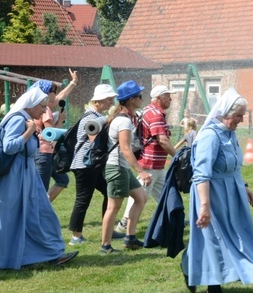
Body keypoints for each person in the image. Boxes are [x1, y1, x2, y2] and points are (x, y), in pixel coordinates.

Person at [0, 86, 78, 271]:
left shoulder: (24, 118)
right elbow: (9, 147)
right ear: (30, 105)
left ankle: (52, 254)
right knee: (8, 219)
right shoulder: (18, 119)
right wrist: (29, 132)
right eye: (41, 106)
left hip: (25, 176)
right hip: (13, 178)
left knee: (39, 215)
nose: (43, 110)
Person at [181, 88, 253, 293]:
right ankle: (214, 291)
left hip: (230, 192)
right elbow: (201, 174)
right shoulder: (210, 136)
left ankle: (190, 266)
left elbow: (233, 165)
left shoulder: (230, 134)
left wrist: (243, 186)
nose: (240, 119)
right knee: (215, 239)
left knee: (235, 236)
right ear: (225, 112)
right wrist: (205, 206)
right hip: (211, 194)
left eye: (242, 115)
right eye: (238, 115)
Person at [116, 84, 179, 234]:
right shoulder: (156, 114)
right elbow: (162, 140)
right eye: (167, 96)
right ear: (158, 98)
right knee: (140, 195)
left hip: (155, 162)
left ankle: (173, 217)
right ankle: (124, 223)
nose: (170, 98)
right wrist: (178, 156)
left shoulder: (148, 110)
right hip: (150, 162)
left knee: (165, 191)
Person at [100, 81, 153, 254]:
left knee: (141, 197)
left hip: (121, 167)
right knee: (113, 208)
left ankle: (130, 238)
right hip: (116, 168)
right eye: (139, 96)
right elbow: (125, 149)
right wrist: (141, 171)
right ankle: (105, 246)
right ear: (131, 100)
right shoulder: (123, 122)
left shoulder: (125, 118)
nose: (141, 98)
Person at [66, 84, 122, 246]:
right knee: (83, 199)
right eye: (109, 99)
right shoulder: (90, 117)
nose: (111, 103)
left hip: (90, 164)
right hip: (85, 165)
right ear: (98, 101)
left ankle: (109, 229)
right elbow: (93, 139)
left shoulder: (94, 114)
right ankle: (76, 237)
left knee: (109, 192)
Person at [31, 69, 78, 202]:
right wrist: (60, 121)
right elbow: (50, 134)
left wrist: (73, 83)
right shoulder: (45, 110)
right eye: (54, 92)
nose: (56, 95)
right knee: (41, 190)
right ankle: (39, 213)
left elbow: (60, 97)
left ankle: (43, 208)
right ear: (46, 94)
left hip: (45, 153)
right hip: (43, 153)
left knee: (62, 180)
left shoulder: (41, 106)